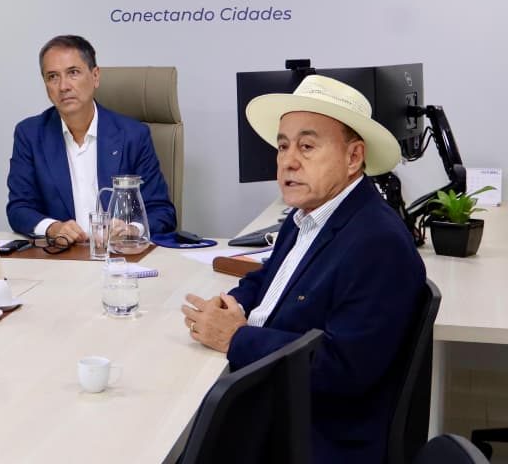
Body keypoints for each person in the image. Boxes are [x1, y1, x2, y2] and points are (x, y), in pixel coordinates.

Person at [181, 75, 426, 464]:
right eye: (283, 146)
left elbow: (342, 369)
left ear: (353, 157)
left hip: (310, 436)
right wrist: (231, 304)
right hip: (274, 398)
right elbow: (269, 280)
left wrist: (235, 337)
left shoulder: (377, 242)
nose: (287, 161)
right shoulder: (307, 216)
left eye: (307, 146)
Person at [6, 35, 176, 243]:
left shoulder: (133, 135)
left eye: (73, 73)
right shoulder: (30, 134)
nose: (63, 86)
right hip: (62, 254)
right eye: (53, 77)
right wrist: (53, 228)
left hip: (119, 253)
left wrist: (132, 229)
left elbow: (162, 211)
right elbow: (19, 208)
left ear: (95, 76)